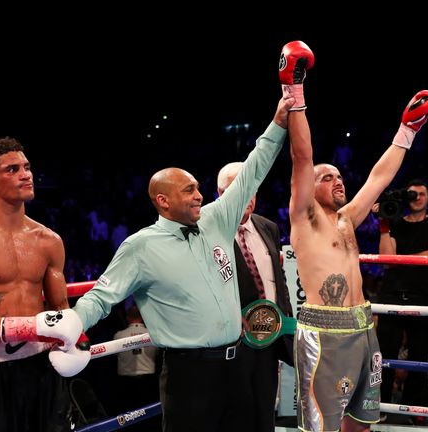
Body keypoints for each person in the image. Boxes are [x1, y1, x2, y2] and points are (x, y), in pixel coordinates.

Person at [73, 94, 295, 432]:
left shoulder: (217, 219)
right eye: (188, 190)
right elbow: (101, 297)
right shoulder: (140, 246)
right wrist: (70, 328)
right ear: (163, 201)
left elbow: (254, 169)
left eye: (197, 188)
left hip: (237, 366)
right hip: (188, 375)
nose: (199, 195)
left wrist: (279, 122)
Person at [285, 40, 428, 432]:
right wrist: (295, 89)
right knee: (323, 427)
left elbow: (380, 176)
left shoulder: (346, 219)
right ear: (310, 187)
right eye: (327, 177)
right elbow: (302, 157)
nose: (337, 181)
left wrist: (407, 130)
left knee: (362, 422)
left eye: (339, 176)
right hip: (324, 332)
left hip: (363, 327)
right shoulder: (305, 218)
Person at [0, 137, 89, 432]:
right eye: (12, 169)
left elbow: (59, 307)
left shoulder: (49, 240)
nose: (26, 174)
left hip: (43, 366)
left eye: (27, 167)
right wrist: (33, 327)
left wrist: (77, 341)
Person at [217, 161, 294, 432]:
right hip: (233, 337)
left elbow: (278, 278)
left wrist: (286, 319)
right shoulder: (211, 232)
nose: (248, 198)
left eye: (252, 190)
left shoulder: (267, 226)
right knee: (238, 408)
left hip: (270, 334)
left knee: (264, 404)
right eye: (239, 189)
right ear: (220, 193)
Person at [375, 179, 428, 410]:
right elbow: (387, 260)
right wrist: (384, 224)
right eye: (412, 194)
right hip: (391, 295)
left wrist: (402, 260)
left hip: (421, 296)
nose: (417, 198)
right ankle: (380, 407)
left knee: (419, 354)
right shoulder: (394, 222)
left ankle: (415, 409)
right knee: (385, 354)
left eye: (422, 194)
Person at [112, 302, 160, 432]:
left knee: (127, 419)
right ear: (143, 316)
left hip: (126, 382)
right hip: (147, 381)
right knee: (150, 416)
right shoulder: (152, 334)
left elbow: (116, 356)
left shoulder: (119, 335)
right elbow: (156, 354)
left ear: (128, 317)